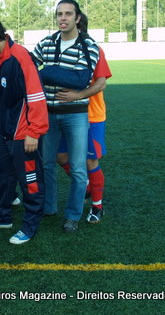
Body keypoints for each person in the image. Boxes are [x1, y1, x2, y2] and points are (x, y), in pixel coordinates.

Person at [0, 14, 49, 245]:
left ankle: (30, 225)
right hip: (5, 131)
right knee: (1, 175)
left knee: (30, 180)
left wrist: (34, 132)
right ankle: (1, 216)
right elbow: (5, 91)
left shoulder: (20, 57)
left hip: (23, 134)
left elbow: (36, 96)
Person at [32, 0, 100, 232]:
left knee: (78, 167)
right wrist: (50, 73)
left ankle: (73, 215)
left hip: (76, 114)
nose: (63, 18)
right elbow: (31, 67)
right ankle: (49, 207)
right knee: (47, 164)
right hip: (48, 114)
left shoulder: (89, 45)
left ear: (77, 18)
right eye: (59, 14)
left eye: (68, 14)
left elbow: (82, 79)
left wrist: (48, 73)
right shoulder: (46, 43)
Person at [55, 14, 112, 223]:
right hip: (65, 113)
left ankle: (97, 206)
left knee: (90, 159)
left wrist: (77, 95)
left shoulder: (93, 49)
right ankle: (86, 186)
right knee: (60, 156)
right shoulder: (58, 49)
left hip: (91, 115)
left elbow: (101, 82)